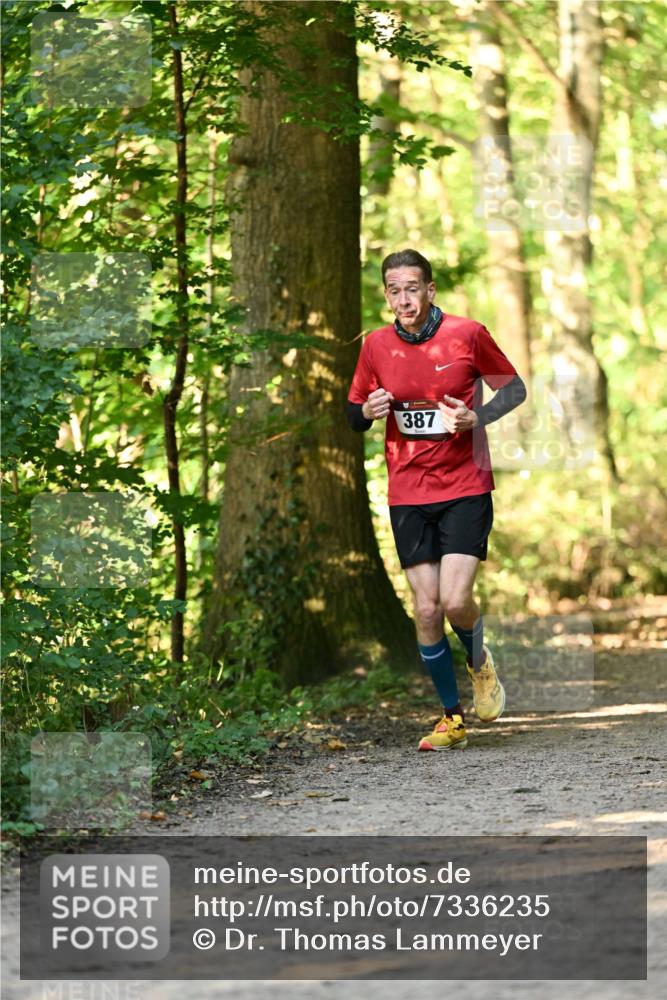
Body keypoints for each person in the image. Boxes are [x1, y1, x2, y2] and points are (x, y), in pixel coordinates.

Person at [347, 248, 527, 751]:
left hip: (466, 484)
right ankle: (451, 718)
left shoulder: (467, 334)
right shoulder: (376, 346)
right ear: (387, 294)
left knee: (454, 600)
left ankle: (479, 663)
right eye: (393, 290)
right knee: (425, 610)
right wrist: (368, 411)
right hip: (407, 491)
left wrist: (478, 418)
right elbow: (353, 414)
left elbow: (514, 389)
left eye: (412, 288)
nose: (403, 300)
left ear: (430, 290)